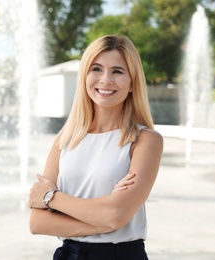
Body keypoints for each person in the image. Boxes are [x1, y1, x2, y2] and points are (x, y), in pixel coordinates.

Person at [28, 34, 163, 260]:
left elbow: (115, 215)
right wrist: (104, 219)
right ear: (85, 77)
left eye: (118, 71)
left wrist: (50, 197)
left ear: (132, 83)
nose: (105, 80)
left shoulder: (145, 140)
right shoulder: (66, 138)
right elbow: (37, 222)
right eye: (96, 69)